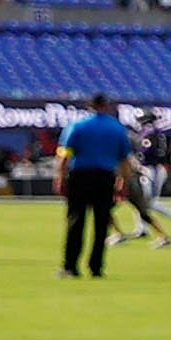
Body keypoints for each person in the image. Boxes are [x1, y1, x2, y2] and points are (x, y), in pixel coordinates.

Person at [57, 93, 129, 276]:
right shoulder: (117, 128)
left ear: (90, 106)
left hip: (80, 175)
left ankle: (70, 266)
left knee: (76, 221)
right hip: (105, 176)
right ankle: (96, 266)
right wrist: (122, 181)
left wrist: (59, 177)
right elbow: (124, 159)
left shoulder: (78, 126)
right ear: (107, 106)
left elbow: (65, 155)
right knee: (101, 222)